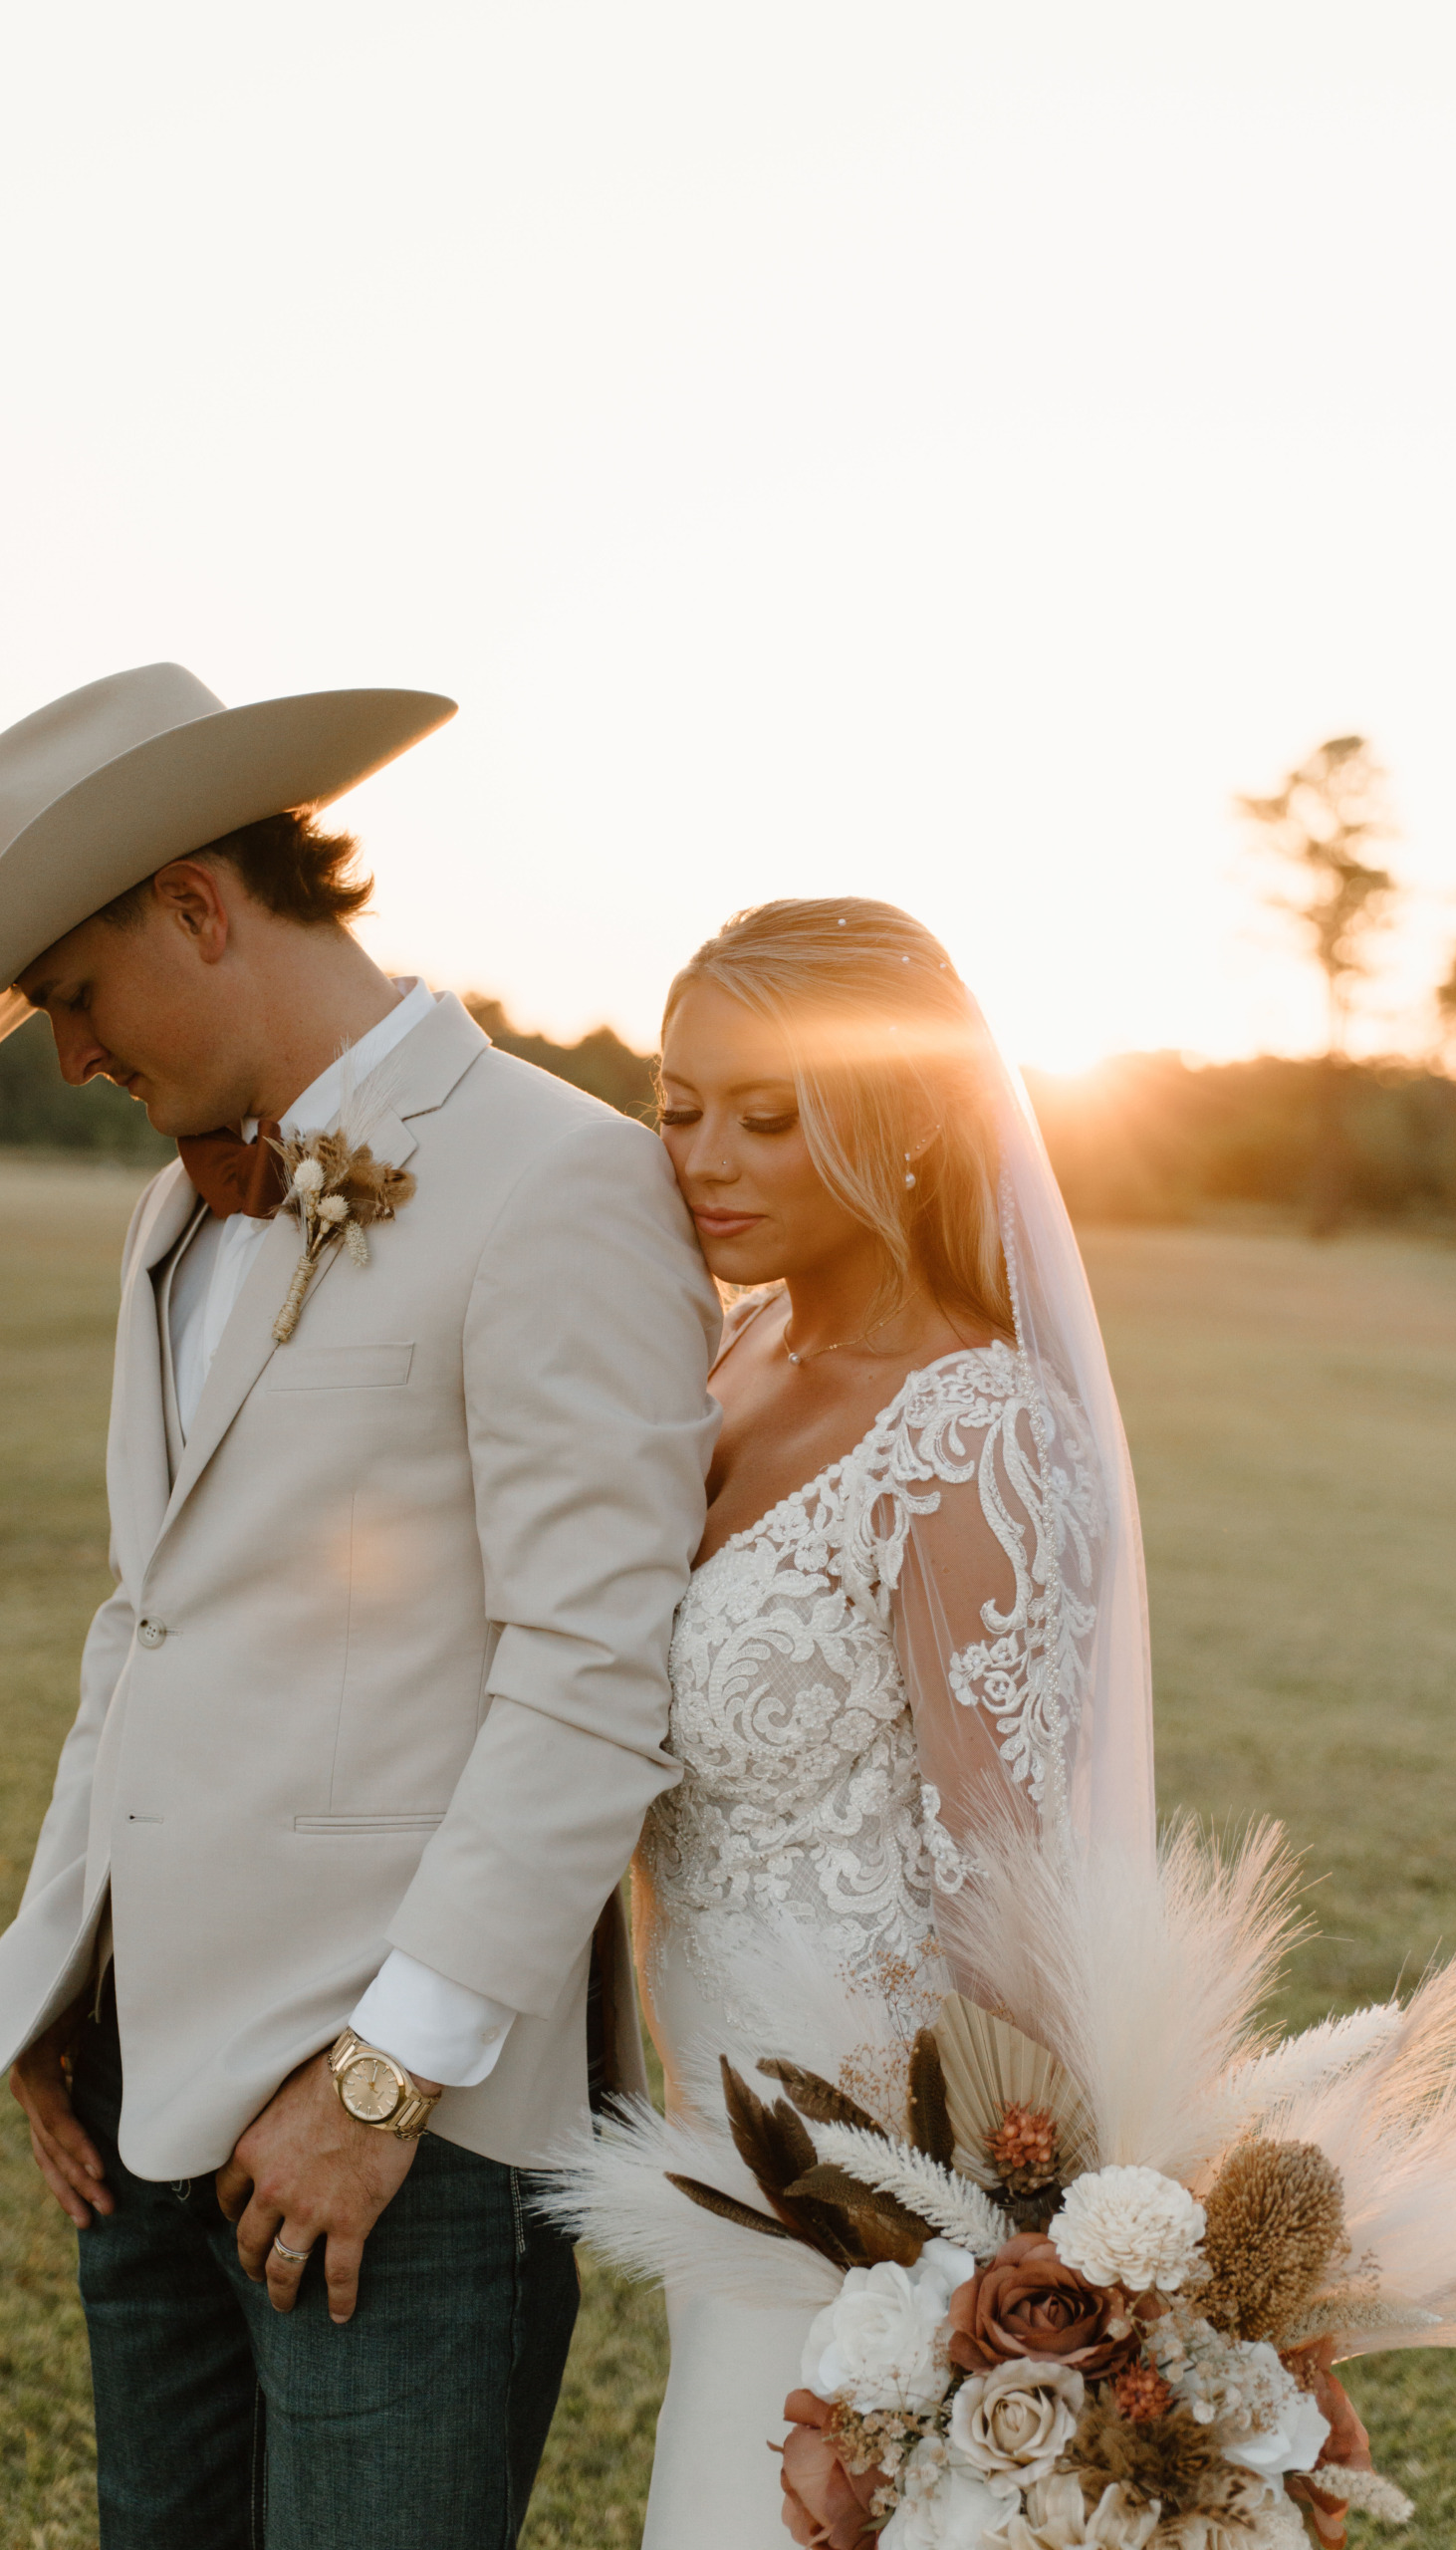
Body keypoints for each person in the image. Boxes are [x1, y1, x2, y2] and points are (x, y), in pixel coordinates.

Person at [0, 661, 720, 2549]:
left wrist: (376, 2081)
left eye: (76, 997)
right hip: (137, 2089)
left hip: (394, 2152)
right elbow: (153, 1614)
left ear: (196, 903)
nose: (75, 1061)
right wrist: (58, 1956)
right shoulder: (173, 1210)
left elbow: (596, 1677)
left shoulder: (565, 1183)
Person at [627, 898, 1155, 2549]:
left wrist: (991, 2268)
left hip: (873, 2183)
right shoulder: (735, 1353)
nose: (707, 1157)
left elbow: (1009, 1879)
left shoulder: (974, 1425)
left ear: (907, 1130)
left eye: (769, 1118)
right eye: (680, 1104)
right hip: (713, 2129)